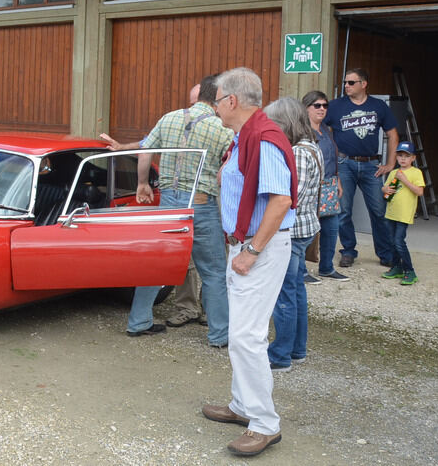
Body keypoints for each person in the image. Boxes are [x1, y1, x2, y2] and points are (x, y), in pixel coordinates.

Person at [201, 67, 296, 458]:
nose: (216, 107)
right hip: (246, 245)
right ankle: (243, 406)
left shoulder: (263, 138)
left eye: (218, 100)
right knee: (243, 334)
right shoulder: (247, 136)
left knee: (246, 336)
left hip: (258, 248)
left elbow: (280, 200)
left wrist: (251, 251)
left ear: (232, 101)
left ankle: (264, 424)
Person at [100, 76, 232, 347]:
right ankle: (220, 335)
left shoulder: (169, 118)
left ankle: (138, 322)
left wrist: (142, 183)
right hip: (201, 203)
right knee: (213, 271)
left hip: (169, 201)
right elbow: (230, 167)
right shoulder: (223, 128)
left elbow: (146, 149)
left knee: (156, 266)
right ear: (219, 97)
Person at [264, 97, 322, 373]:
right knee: (296, 291)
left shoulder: (297, 152)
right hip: (307, 227)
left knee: (285, 294)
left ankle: (280, 355)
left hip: (294, 230)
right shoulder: (312, 146)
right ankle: (297, 349)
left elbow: (288, 197)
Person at [324, 68, 399, 268]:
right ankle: (348, 251)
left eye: (351, 82)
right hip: (344, 163)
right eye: (345, 82)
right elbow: (319, 128)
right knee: (343, 211)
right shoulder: (335, 106)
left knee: (379, 211)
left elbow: (392, 133)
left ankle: (386, 253)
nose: (346, 86)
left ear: (363, 84)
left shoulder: (378, 106)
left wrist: (391, 164)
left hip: (371, 165)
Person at [302, 90, 349, 282]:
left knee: (331, 228)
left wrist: (337, 179)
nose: (322, 109)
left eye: (325, 105)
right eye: (317, 105)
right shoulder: (302, 132)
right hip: (311, 187)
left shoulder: (326, 130)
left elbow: (332, 157)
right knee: (306, 231)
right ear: (306, 108)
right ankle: (300, 271)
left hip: (329, 186)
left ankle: (326, 267)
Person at [381, 141, 425, 285]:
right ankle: (396, 267)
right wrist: (385, 190)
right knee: (392, 242)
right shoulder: (394, 172)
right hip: (391, 212)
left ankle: (410, 271)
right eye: (400, 156)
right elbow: (385, 188)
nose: (403, 159)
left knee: (399, 242)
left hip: (404, 214)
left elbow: (419, 191)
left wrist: (404, 180)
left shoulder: (416, 172)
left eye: (407, 156)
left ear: (413, 158)